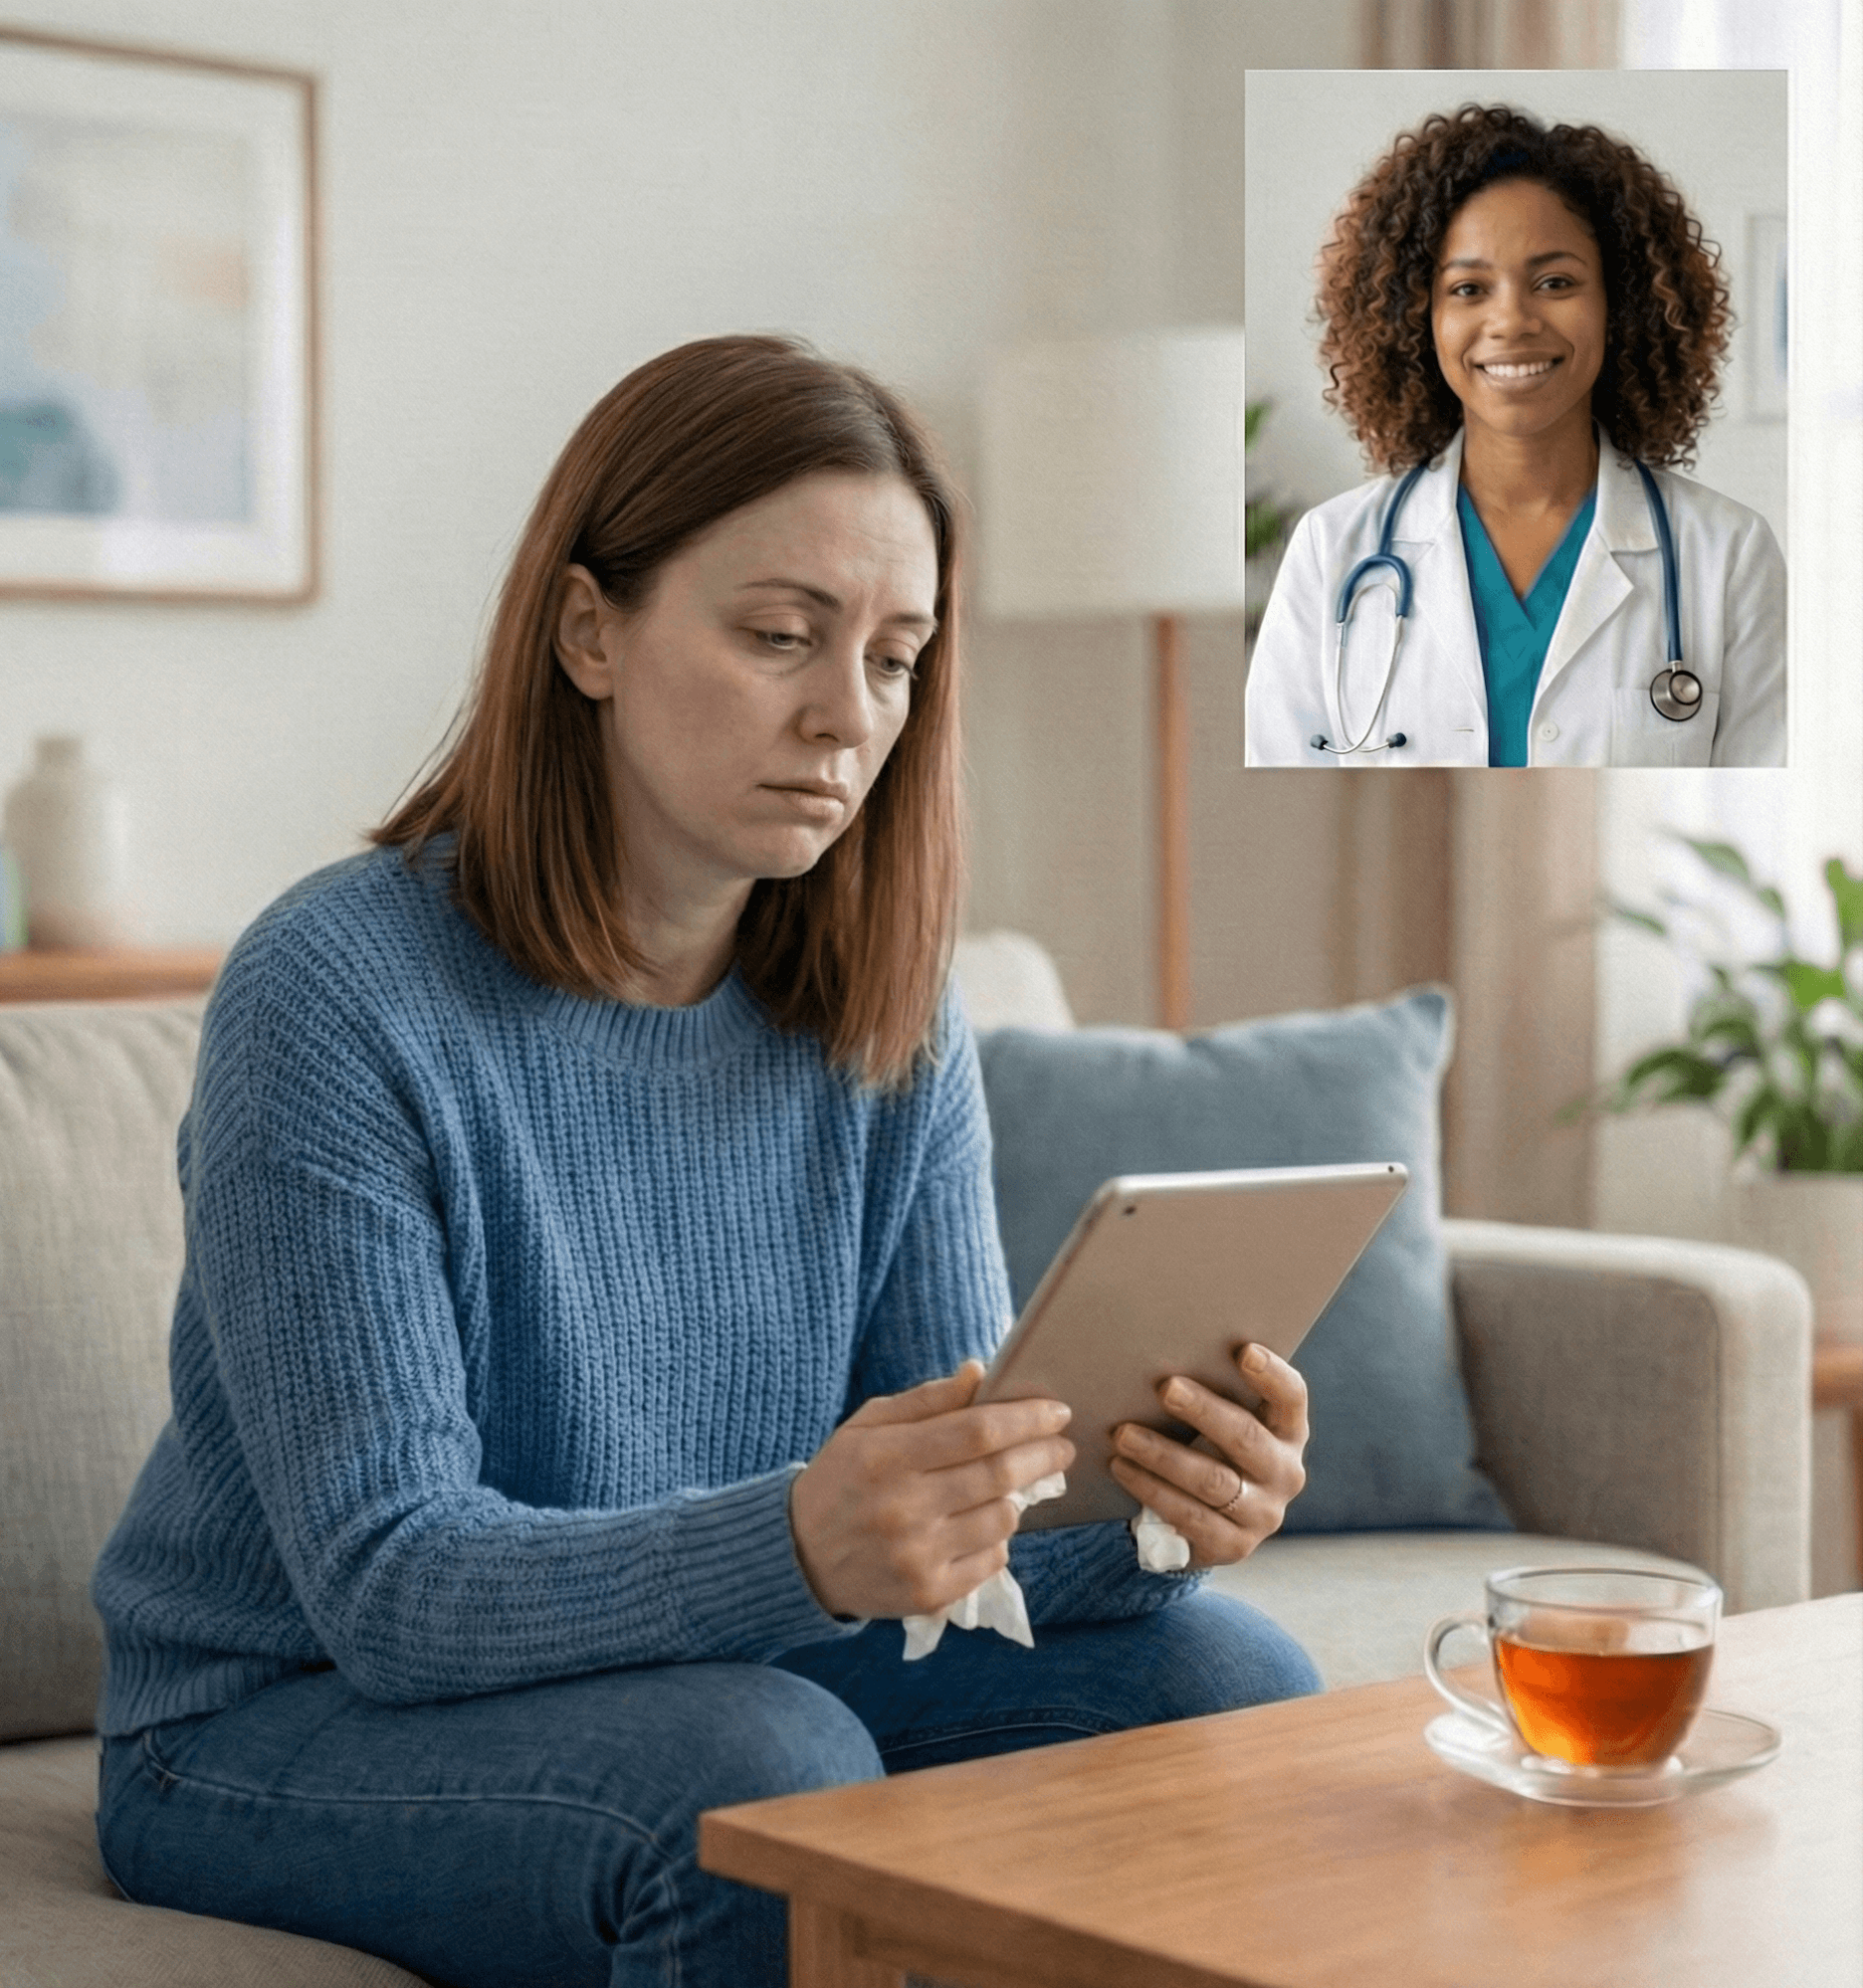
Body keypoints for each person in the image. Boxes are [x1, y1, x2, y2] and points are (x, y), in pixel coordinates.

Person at [90, 334, 1321, 1988]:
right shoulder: (335, 992)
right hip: (278, 1714)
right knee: (764, 1774)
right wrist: (804, 1545)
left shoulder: (889, 1007)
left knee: (1226, 1684)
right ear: (589, 630)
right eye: (776, 636)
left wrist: (1168, 1504)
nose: (845, 714)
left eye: (895, 656)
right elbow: (393, 1584)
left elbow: (954, 1524)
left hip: (729, 1654)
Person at [1245, 103, 1786, 769]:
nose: (1512, 321)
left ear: (1622, 304)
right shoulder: (1333, 551)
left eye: (1555, 282)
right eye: (1469, 288)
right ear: (1419, 318)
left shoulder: (1726, 554)